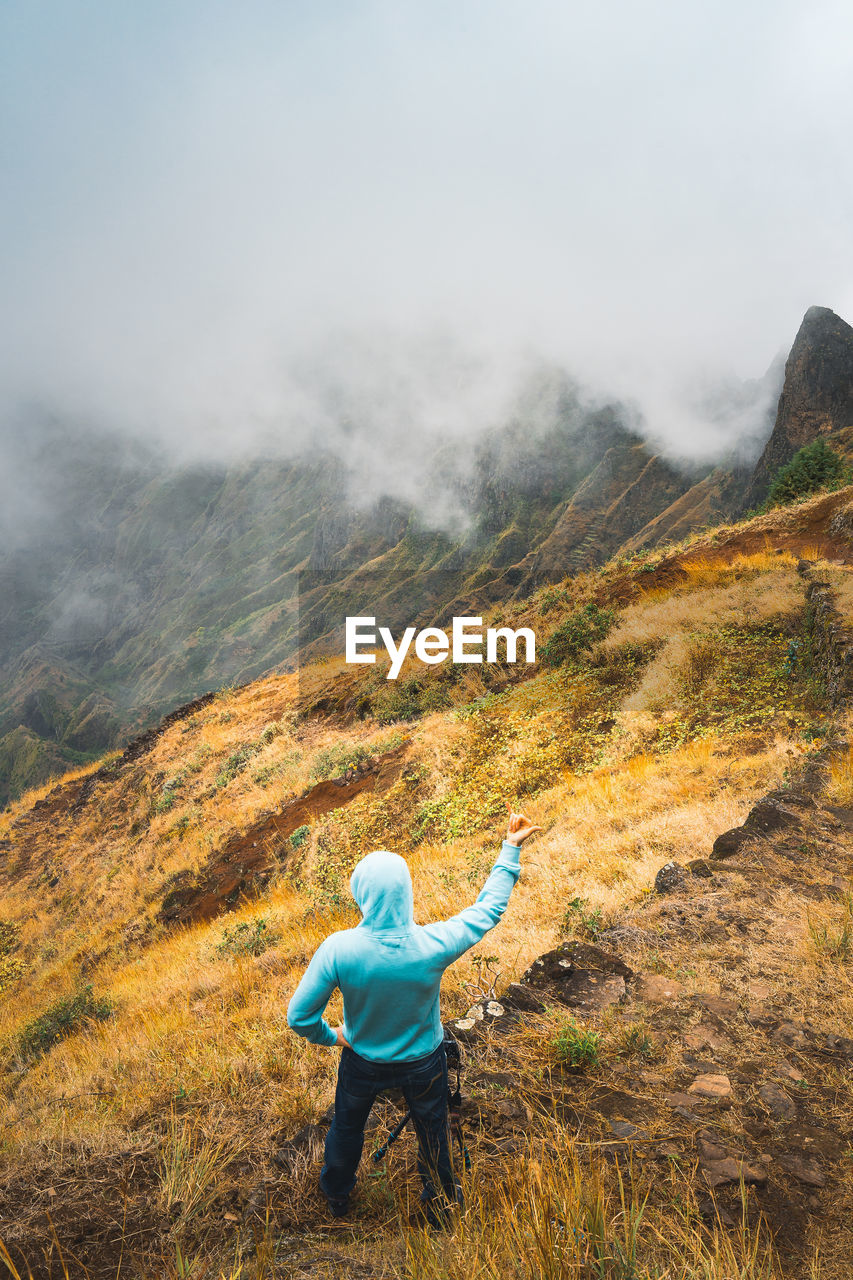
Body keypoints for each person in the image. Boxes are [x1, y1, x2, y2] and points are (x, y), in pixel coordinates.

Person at [286, 803, 541, 1222]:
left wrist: (332, 1036)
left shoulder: (339, 948)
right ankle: (439, 1203)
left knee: (347, 1130)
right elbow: (487, 911)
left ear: (359, 893)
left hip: (361, 1061)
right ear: (406, 890)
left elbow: (300, 1016)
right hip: (424, 1062)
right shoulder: (432, 944)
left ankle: (337, 1194)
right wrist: (509, 849)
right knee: (433, 1131)